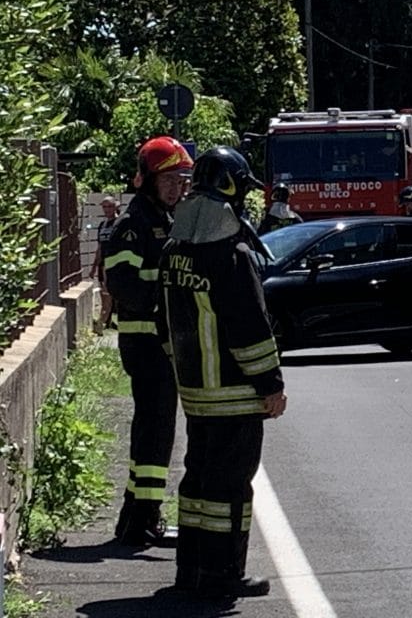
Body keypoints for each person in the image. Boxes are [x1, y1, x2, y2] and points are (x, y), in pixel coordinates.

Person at [159, 146, 286, 599]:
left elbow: (165, 322)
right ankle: (223, 576)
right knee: (229, 490)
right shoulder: (230, 254)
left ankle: (191, 570)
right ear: (231, 188)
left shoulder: (175, 249)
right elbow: (249, 327)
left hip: (195, 394)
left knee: (198, 483)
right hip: (234, 394)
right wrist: (271, 385)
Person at [105, 136, 193, 546]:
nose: (177, 187)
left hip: (160, 343)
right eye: (170, 180)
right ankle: (142, 517)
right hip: (145, 343)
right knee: (153, 430)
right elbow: (123, 283)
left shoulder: (163, 218)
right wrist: (169, 286)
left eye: (181, 180)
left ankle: (138, 516)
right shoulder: (133, 223)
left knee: (157, 430)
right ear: (149, 180)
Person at [89, 196, 119, 333]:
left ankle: (101, 323)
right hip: (103, 265)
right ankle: (106, 320)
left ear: (115, 207)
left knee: (109, 295)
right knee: (104, 295)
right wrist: (94, 267)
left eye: (109, 206)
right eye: (104, 207)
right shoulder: (102, 225)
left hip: (115, 264)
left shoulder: (119, 223)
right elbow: (99, 247)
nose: (106, 210)